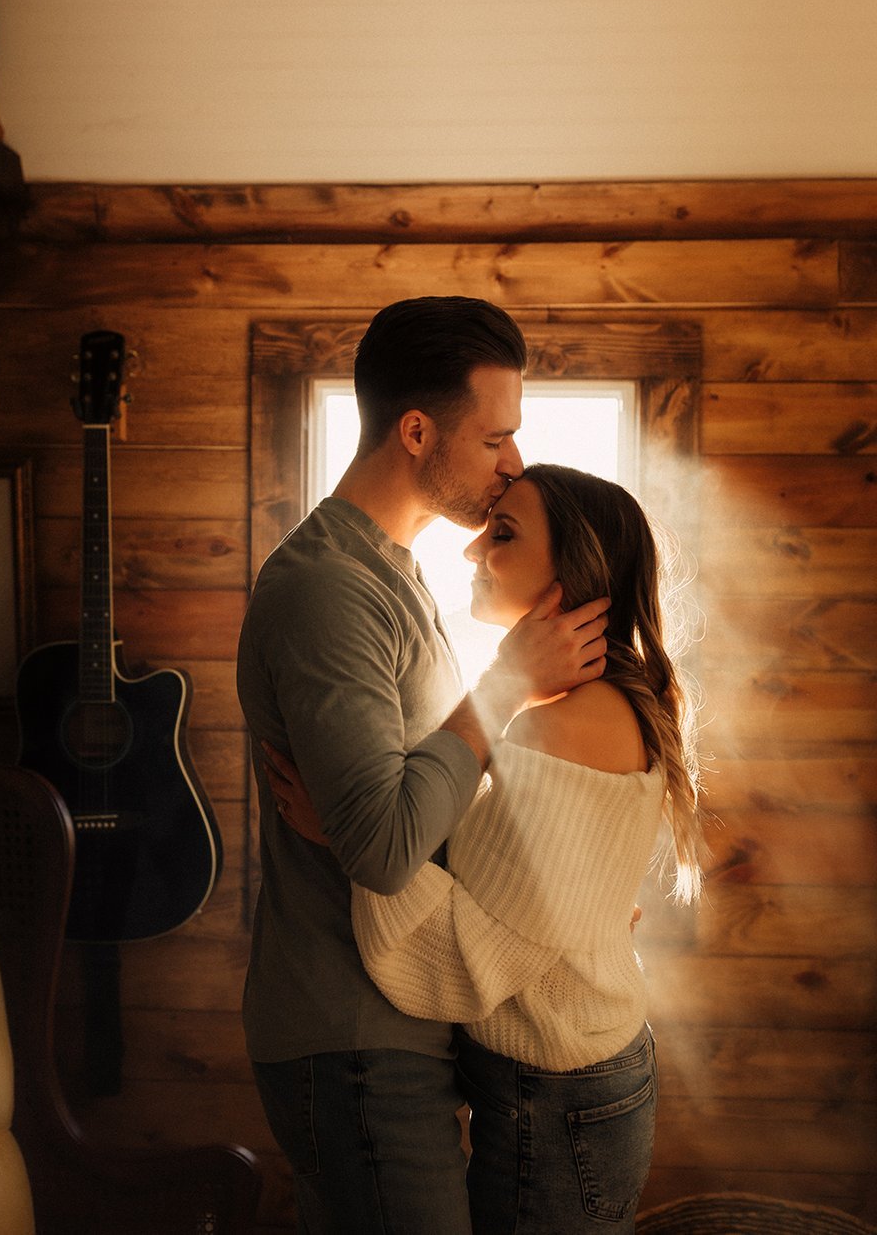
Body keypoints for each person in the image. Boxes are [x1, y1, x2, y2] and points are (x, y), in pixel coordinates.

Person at [236, 297, 611, 1235]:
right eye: (496, 439)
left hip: (398, 1022)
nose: (513, 463)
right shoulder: (329, 589)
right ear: (416, 431)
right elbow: (388, 849)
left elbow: (422, 816)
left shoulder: (397, 571)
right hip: (350, 1038)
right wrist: (505, 687)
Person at [345, 464, 705, 1234]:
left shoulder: (567, 722)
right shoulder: (575, 704)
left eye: (502, 533)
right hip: (571, 1079)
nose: (473, 550)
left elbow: (471, 954)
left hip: (561, 1093)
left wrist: (351, 829)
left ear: (573, 573)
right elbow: (523, 895)